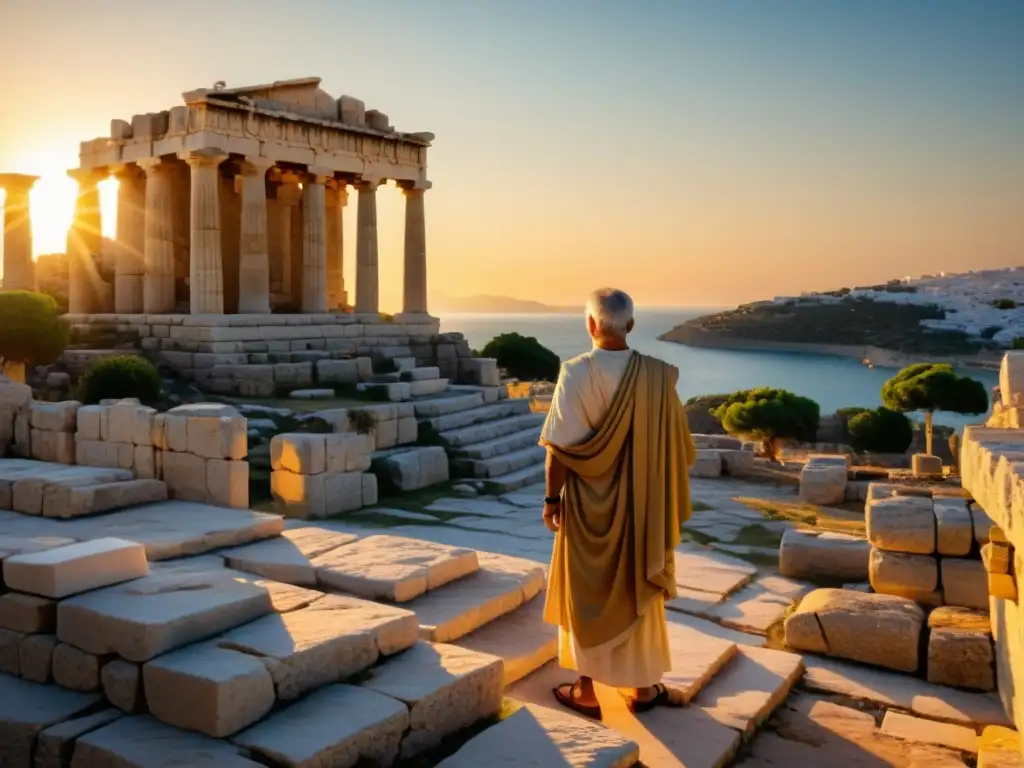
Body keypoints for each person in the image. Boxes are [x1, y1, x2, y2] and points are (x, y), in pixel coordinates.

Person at [539, 287, 696, 720]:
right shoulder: (659, 376)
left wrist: (552, 500)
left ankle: (587, 690)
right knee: (636, 585)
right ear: (630, 324)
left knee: (586, 591)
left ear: (591, 324)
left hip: (589, 505)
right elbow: (674, 446)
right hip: (644, 506)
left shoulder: (575, 372)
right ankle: (643, 688)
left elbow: (558, 449)